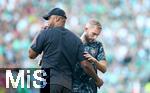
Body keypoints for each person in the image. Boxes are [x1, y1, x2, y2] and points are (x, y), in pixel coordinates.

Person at [28, 8, 102, 93]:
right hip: (67, 85)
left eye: (49, 19)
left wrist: (40, 32)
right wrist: (97, 79)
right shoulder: (75, 39)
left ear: (57, 19)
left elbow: (31, 54)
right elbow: (85, 64)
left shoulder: (45, 33)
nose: (47, 22)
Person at [73, 19, 107, 93]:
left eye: (97, 35)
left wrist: (94, 61)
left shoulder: (97, 45)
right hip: (74, 86)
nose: (95, 37)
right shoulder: (74, 42)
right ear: (86, 29)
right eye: (93, 34)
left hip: (90, 88)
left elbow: (104, 69)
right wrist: (98, 80)